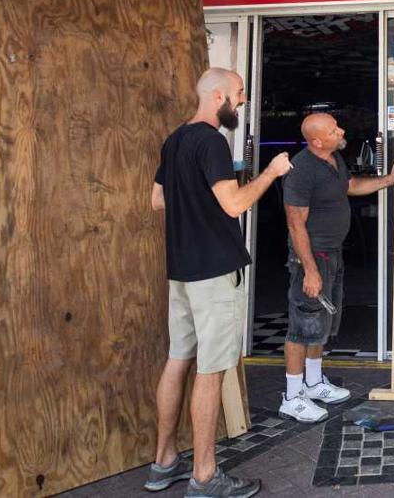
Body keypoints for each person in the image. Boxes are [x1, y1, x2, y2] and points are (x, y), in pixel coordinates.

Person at [146, 68, 293, 498]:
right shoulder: (210, 140)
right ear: (217, 96)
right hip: (213, 272)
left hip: (182, 271)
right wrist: (270, 173)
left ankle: (164, 462)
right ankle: (205, 476)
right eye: (239, 93)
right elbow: (233, 205)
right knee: (210, 373)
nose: (243, 100)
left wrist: (193, 202)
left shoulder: (175, 140)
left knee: (178, 360)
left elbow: (156, 200)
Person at [279, 112, 394, 422]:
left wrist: (389, 181)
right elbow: (295, 224)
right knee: (302, 325)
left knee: (321, 321)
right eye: (335, 130)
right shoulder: (302, 170)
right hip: (312, 257)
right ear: (317, 141)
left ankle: (313, 383)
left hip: (331, 253)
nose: (342, 130)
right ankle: (292, 396)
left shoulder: (333, 158)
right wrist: (308, 269)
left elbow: (350, 185)